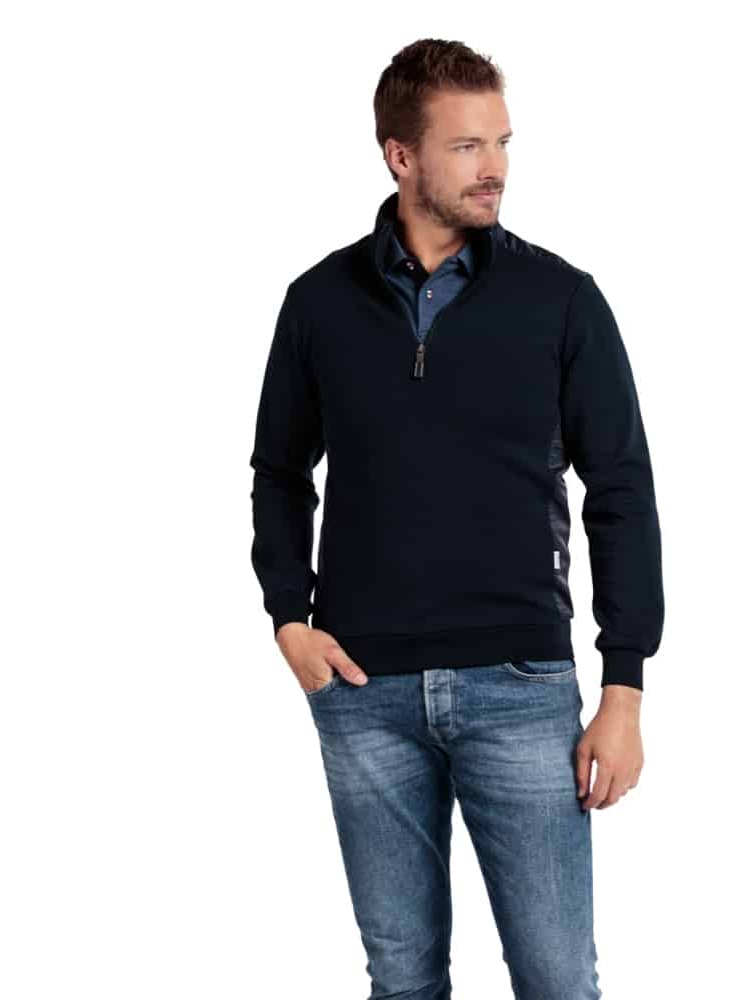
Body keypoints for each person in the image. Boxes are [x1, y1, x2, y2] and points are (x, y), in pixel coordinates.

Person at [248, 37, 664, 1000]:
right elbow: (278, 471)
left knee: (557, 979)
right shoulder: (318, 304)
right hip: (362, 691)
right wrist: (287, 616)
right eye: (469, 146)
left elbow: (622, 491)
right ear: (401, 156)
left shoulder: (561, 300)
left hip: (519, 686)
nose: (495, 168)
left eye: (503, 143)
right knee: (401, 980)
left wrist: (625, 688)